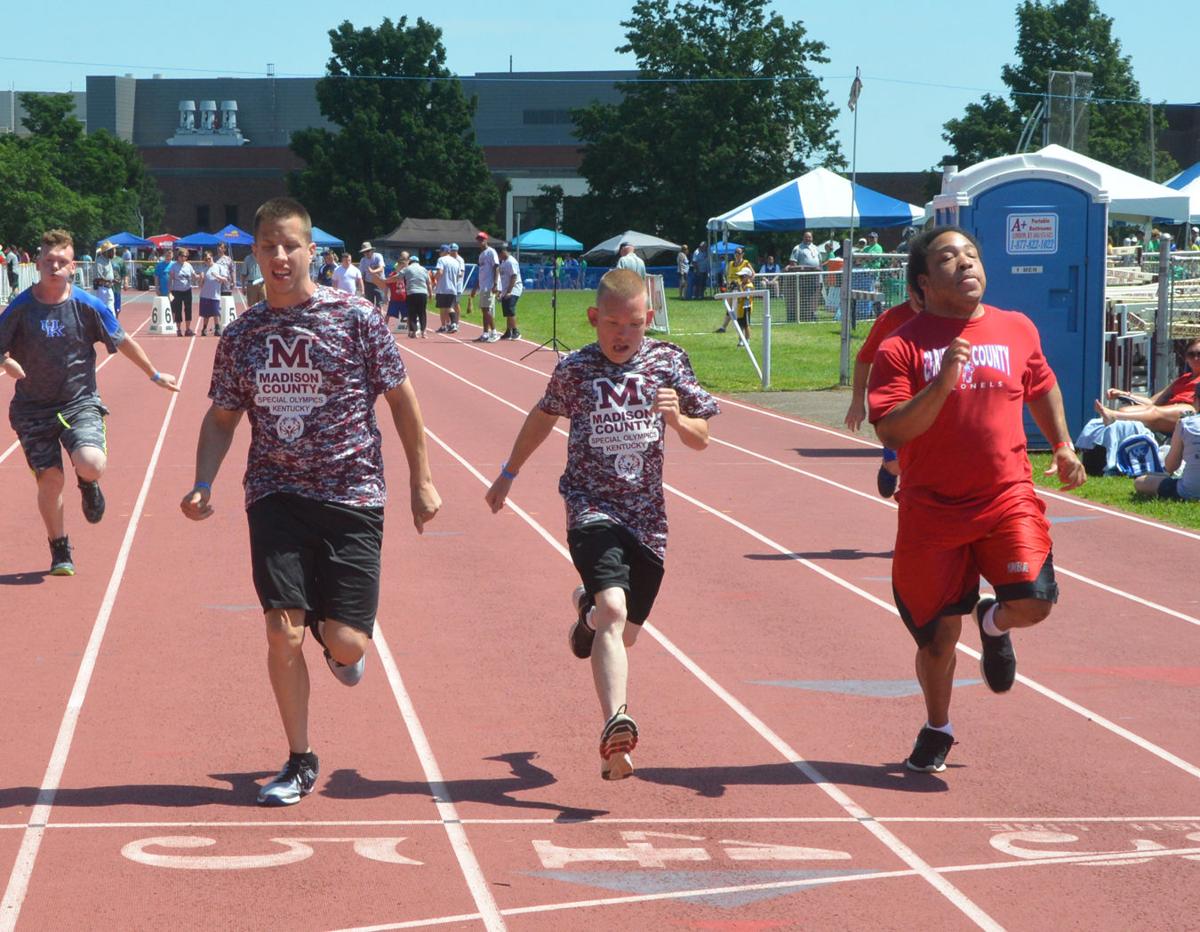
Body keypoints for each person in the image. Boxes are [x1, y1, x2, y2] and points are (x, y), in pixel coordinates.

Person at [179, 197, 440, 807]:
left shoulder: (356, 317)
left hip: (353, 493)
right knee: (282, 631)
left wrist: (421, 480)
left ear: (311, 251)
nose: (279, 256)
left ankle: (332, 634)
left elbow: (401, 399)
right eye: (268, 245)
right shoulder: (242, 335)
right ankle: (300, 759)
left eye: (290, 245)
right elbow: (222, 418)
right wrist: (203, 481)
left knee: (347, 644)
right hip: (276, 493)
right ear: (254, 252)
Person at [484, 268, 719, 780]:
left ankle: (586, 616)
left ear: (648, 318)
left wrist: (678, 419)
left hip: (647, 517)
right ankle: (616, 726)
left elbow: (702, 438)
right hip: (590, 506)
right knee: (615, 607)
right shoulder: (575, 369)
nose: (622, 334)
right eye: (612, 323)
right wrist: (508, 472)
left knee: (622, 634)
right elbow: (543, 416)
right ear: (594, 318)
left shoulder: (669, 362)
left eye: (633, 324)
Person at [867, 225, 1085, 774]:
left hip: (1006, 495)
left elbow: (1041, 385)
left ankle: (993, 622)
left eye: (971, 254)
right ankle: (937, 727)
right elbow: (892, 430)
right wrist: (942, 381)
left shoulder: (1016, 327)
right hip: (932, 509)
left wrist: (1062, 444)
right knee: (938, 637)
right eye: (948, 257)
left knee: (1035, 602)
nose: (965, 263)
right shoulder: (901, 346)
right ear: (924, 281)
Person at [0, 228, 179, 576]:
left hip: (78, 402)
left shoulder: (88, 305)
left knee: (91, 463)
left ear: (73, 266)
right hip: (32, 408)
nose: (54, 267)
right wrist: (6, 362)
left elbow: (122, 340)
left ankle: (88, 482)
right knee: (50, 480)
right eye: (48, 261)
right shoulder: (20, 308)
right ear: (38, 263)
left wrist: (154, 374)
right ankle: (60, 548)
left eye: (62, 262)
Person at [844, 299, 919, 498]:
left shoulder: (946, 314)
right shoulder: (891, 319)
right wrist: (857, 402)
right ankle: (889, 466)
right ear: (911, 291)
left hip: (930, 398)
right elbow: (864, 358)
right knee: (897, 464)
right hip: (897, 400)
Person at [1094, 337, 1200, 434]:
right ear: (1186, 358)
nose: (1196, 358)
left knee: (1154, 412)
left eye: (1199, 354)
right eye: (1191, 354)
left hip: (1189, 411)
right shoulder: (1183, 379)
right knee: (1125, 411)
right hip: (1169, 409)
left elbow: (1196, 408)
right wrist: (1122, 394)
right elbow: (1152, 402)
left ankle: (1113, 416)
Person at [1134, 384, 1200, 500]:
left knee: (1140, 481)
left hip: (1190, 491)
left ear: (1196, 400)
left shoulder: (1186, 424)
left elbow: (1171, 466)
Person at [716, 246, 754, 335]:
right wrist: (727, 284)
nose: (737, 254)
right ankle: (724, 327)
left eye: (739, 253)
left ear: (742, 254)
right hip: (731, 289)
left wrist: (745, 284)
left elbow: (752, 274)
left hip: (740, 290)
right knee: (729, 308)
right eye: (735, 252)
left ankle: (738, 330)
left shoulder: (745, 263)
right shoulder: (730, 264)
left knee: (736, 309)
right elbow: (727, 275)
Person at [472, 231, 500, 343]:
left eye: (482, 239)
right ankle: (485, 333)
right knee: (484, 310)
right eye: (478, 239)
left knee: (487, 309)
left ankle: (494, 332)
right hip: (483, 286)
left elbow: (496, 267)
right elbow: (480, 272)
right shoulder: (481, 255)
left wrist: (495, 284)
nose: (480, 241)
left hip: (489, 285)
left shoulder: (491, 252)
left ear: (486, 240)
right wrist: (475, 288)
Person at [788, 231, 821, 319]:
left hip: (815, 277)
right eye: (806, 237)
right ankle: (803, 315)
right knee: (804, 296)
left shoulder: (816, 248)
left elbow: (820, 262)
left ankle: (812, 314)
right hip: (803, 277)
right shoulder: (797, 248)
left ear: (812, 238)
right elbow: (793, 263)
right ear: (803, 238)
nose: (808, 239)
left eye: (809, 237)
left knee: (815, 296)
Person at [197, 250, 229, 336]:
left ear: (212, 257)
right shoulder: (204, 269)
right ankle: (204, 329)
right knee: (206, 314)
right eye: (206, 259)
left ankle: (217, 329)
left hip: (215, 295)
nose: (208, 260)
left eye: (209, 258)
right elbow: (200, 286)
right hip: (205, 295)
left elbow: (225, 280)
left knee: (216, 313)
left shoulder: (219, 267)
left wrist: (217, 276)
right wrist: (201, 279)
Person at [167, 247, 197, 336]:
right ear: (179, 256)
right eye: (183, 256)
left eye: (186, 256)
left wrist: (200, 277)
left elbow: (194, 275)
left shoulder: (188, 265)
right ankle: (178, 329)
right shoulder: (174, 266)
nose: (184, 258)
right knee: (178, 310)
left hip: (187, 290)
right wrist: (170, 291)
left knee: (188, 309)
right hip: (177, 291)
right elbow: (171, 279)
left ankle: (188, 329)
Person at [497, 244, 523, 340]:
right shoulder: (504, 262)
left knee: (510, 310)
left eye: (499, 255)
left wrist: (509, 291)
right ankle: (508, 331)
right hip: (506, 289)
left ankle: (516, 331)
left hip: (514, 289)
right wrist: (501, 292)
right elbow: (503, 278)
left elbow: (513, 276)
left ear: (503, 252)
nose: (498, 257)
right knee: (507, 311)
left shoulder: (511, 262)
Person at [401, 254, 430, 339]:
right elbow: (429, 283)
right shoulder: (424, 269)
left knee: (412, 313)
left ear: (410, 262)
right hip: (423, 293)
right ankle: (424, 332)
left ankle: (414, 332)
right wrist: (430, 293)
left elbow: (398, 276)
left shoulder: (407, 268)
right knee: (422, 313)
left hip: (412, 293)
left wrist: (386, 280)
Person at [433, 244, 458, 333]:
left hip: (443, 287)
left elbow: (440, 272)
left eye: (440, 251)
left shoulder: (441, 260)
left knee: (445, 307)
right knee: (445, 307)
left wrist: (434, 278)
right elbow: (458, 275)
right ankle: (444, 326)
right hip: (453, 288)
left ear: (445, 252)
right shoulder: (456, 261)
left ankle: (453, 324)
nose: (439, 253)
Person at [384, 250, 410, 331]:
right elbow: (386, 285)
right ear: (397, 266)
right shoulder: (392, 275)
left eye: (403, 266)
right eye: (400, 266)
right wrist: (385, 296)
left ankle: (411, 330)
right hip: (394, 299)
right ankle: (384, 328)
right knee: (388, 314)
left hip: (404, 299)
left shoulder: (405, 275)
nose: (401, 268)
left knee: (407, 315)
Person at [358, 242, 387, 314]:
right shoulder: (363, 260)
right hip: (368, 284)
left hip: (379, 283)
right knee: (369, 305)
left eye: (368, 251)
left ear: (372, 250)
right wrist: (362, 288)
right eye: (364, 252)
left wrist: (373, 271)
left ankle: (380, 319)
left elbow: (381, 268)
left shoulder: (378, 256)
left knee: (379, 305)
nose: (366, 253)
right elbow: (362, 275)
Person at [93, 242, 117, 315]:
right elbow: (98, 278)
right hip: (102, 289)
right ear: (107, 252)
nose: (114, 252)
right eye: (112, 250)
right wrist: (110, 280)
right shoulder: (99, 261)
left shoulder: (108, 260)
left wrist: (113, 279)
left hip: (108, 288)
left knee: (111, 312)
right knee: (102, 312)